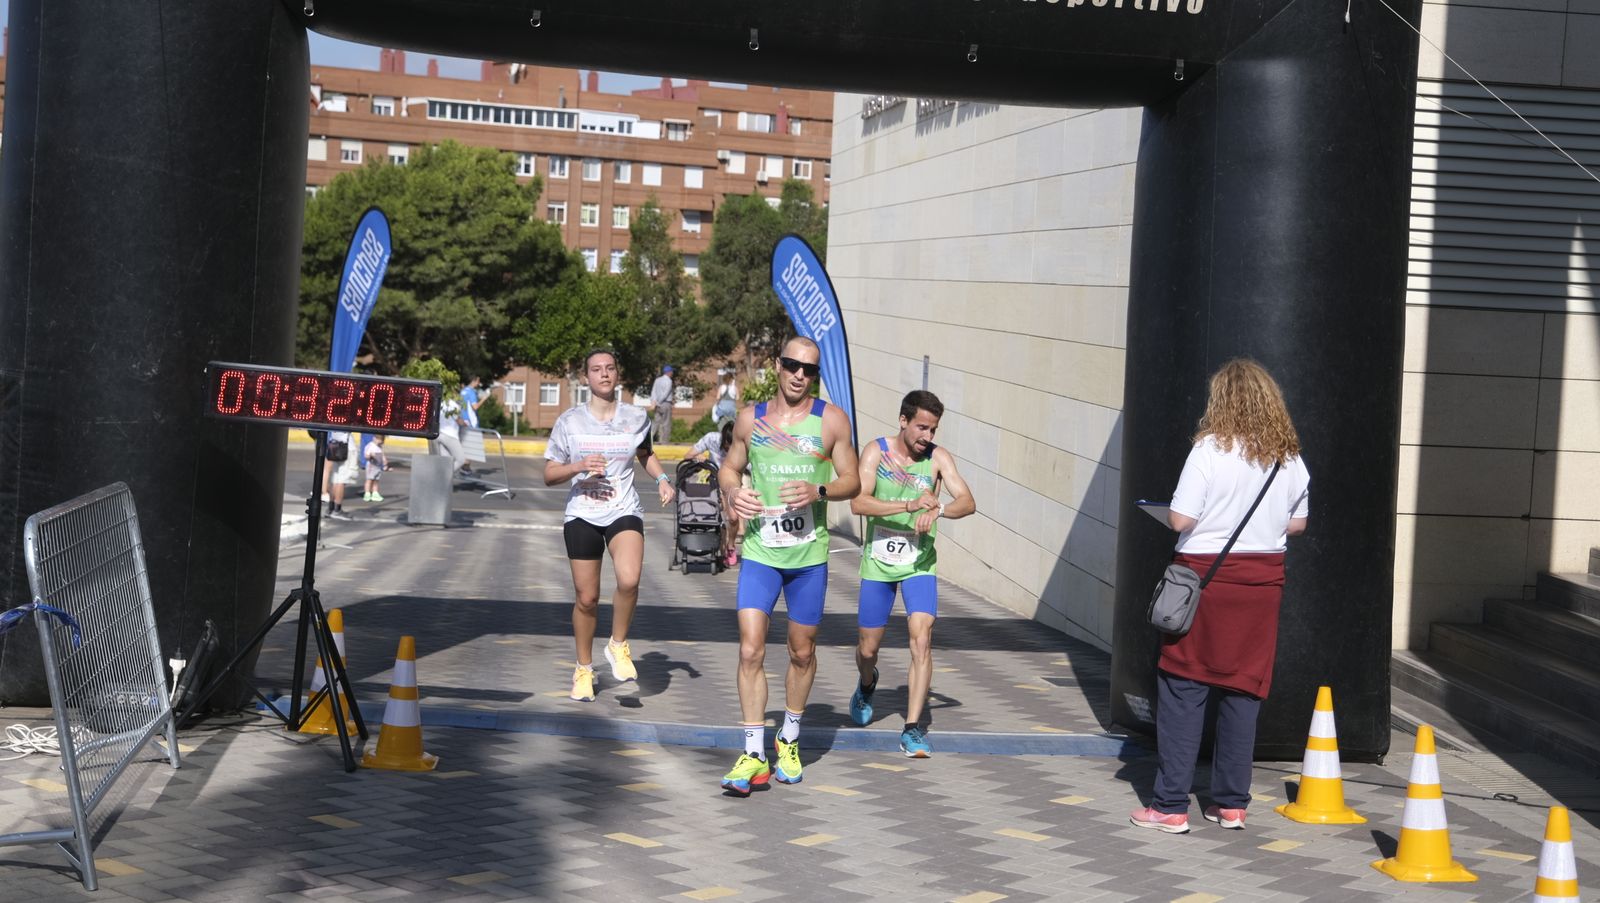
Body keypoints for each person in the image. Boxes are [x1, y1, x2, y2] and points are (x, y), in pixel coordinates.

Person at [1130, 359, 1311, 835]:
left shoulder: (1209, 450)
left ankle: (1170, 805)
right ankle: (1231, 804)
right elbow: (1297, 524)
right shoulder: (1288, 457)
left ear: (1221, 402)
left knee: (1183, 687)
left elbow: (1181, 520)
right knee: (1243, 690)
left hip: (1205, 581)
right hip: (1262, 586)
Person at [716, 337, 860, 795]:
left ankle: (789, 738)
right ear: (777, 366)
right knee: (750, 650)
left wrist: (819, 491)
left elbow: (852, 480)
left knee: (801, 652)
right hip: (761, 552)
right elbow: (729, 468)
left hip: (808, 558)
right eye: (793, 365)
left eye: (810, 369)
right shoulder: (750, 420)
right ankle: (753, 754)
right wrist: (732, 492)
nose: (800, 375)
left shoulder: (831, 420)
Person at [847, 390, 975, 758]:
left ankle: (912, 728)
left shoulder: (938, 458)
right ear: (903, 421)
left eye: (933, 429)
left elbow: (968, 502)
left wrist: (939, 511)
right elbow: (858, 502)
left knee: (921, 640)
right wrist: (908, 504)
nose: (927, 436)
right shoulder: (876, 452)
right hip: (879, 562)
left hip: (919, 563)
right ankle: (867, 683)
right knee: (868, 648)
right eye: (921, 427)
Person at [544, 349, 675, 703]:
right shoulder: (570, 422)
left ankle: (618, 645)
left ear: (618, 374)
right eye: (596, 369)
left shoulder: (636, 417)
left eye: (610, 368)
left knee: (629, 580)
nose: (603, 374)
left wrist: (662, 479)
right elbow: (549, 474)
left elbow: (645, 454)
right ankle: (584, 668)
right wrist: (578, 466)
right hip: (582, 513)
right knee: (587, 598)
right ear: (585, 377)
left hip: (623, 508)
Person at [689, 421, 740, 567]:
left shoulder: (741, 447)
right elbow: (688, 455)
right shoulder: (712, 438)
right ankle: (723, 551)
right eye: (727, 446)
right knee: (719, 518)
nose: (729, 449)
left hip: (732, 485)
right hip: (713, 482)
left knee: (734, 518)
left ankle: (731, 545)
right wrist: (698, 457)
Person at [319, 430, 358, 518]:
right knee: (341, 481)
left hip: (335, 445)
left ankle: (331, 508)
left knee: (335, 480)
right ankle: (337, 510)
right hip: (347, 447)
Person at [436, 394, 466, 474]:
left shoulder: (441, 403)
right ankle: (445, 475)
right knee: (461, 460)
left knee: (448, 460)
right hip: (450, 435)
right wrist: (465, 423)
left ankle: (443, 476)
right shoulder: (454, 405)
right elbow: (459, 421)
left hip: (439, 434)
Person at [649, 364, 675, 444]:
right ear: (669, 372)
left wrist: (654, 402)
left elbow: (653, 391)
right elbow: (665, 394)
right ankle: (664, 441)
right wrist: (659, 402)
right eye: (672, 371)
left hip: (657, 404)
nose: (672, 373)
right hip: (665, 403)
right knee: (666, 423)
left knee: (656, 422)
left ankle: (649, 439)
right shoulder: (669, 381)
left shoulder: (657, 380)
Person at [362, 434, 390, 502]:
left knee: (376, 481)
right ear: (374, 438)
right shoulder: (370, 446)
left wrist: (384, 460)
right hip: (371, 466)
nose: (381, 441)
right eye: (379, 439)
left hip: (378, 466)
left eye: (382, 440)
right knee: (369, 480)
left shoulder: (379, 446)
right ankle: (367, 494)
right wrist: (371, 455)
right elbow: (366, 455)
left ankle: (375, 493)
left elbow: (382, 454)